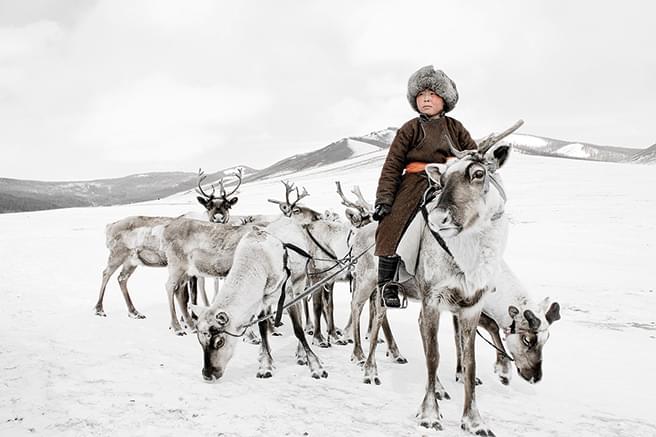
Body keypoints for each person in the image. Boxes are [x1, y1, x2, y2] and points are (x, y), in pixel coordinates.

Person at [372, 65, 478, 308]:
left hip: (449, 184)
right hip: (413, 184)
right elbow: (392, 166)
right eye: (421, 95)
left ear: (445, 99)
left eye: (432, 94)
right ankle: (388, 284)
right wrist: (384, 200)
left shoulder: (456, 128)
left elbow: (473, 158)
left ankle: (477, 272)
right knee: (391, 223)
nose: (426, 98)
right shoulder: (410, 128)